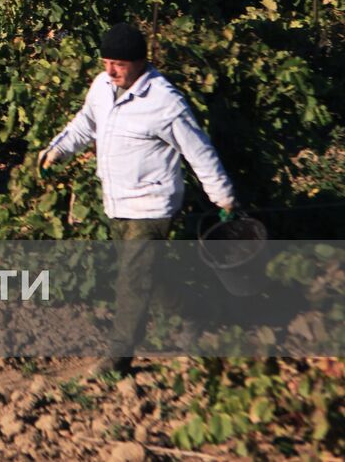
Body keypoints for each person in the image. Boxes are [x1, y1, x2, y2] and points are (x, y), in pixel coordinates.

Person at [38, 22, 238, 376]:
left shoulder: (164, 102)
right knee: (149, 278)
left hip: (153, 204)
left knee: (132, 280)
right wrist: (58, 150)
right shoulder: (102, 86)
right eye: (106, 62)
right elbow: (86, 123)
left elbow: (198, 150)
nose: (111, 70)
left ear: (140, 62)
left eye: (119, 64)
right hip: (117, 202)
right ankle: (200, 311)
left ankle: (118, 359)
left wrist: (222, 196)